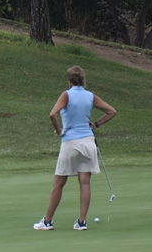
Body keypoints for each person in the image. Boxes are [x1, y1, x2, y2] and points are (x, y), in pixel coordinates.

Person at [33, 66, 117, 231]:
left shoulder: (66, 95)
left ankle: (47, 221)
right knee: (84, 182)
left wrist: (59, 131)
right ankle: (81, 222)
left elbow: (52, 114)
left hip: (70, 142)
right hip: (88, 142)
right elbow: (111, 111)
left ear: (69, 81)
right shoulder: (90, 96)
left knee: (59, 182)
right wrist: (96, 124)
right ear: (83, 80)